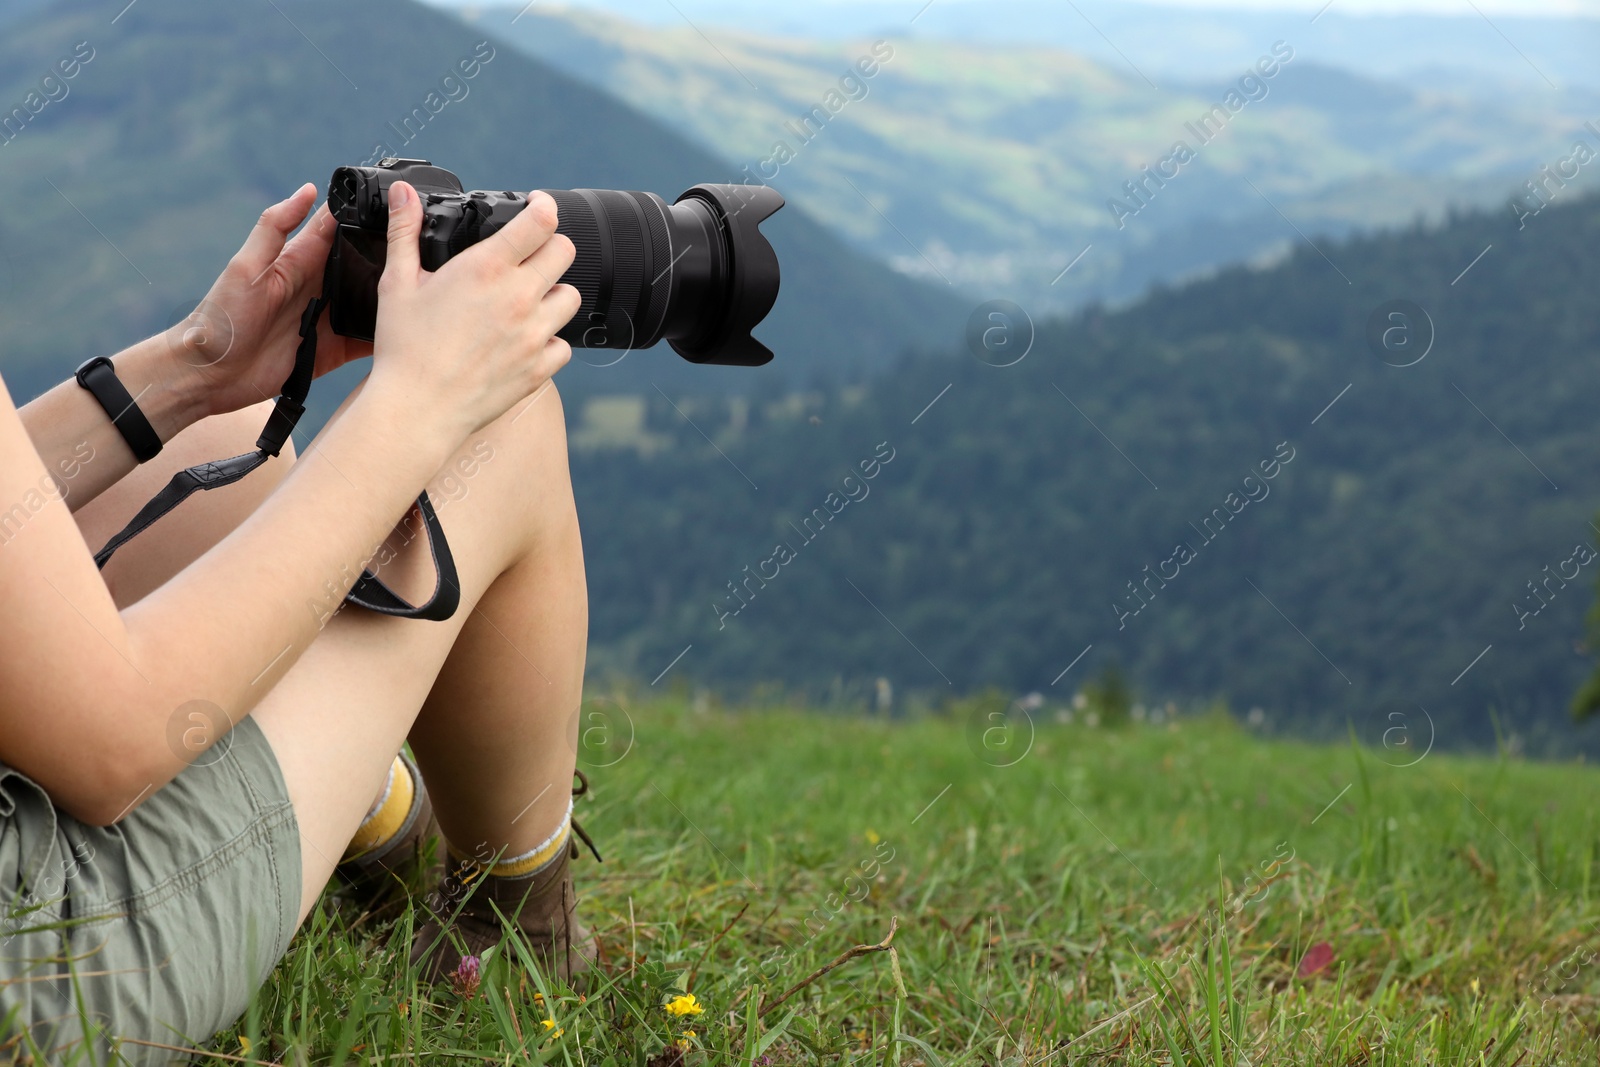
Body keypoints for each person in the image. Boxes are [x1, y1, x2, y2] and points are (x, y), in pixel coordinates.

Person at [0, 180, 595, 1062]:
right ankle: (514, 929)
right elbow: (112, 745)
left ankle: (373, 810)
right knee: (493, 429)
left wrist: (193, 369)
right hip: (45, 959)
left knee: (223, 449)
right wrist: (423, 404)